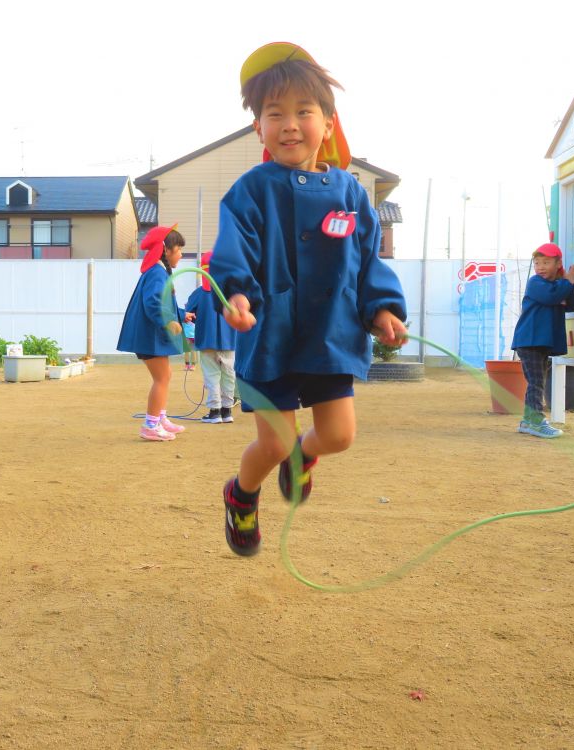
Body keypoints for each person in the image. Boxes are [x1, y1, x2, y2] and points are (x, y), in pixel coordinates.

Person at [209, 42, 408, 556]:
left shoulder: (350, 193)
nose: (290, 124)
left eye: (304, 111)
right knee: (269, 443)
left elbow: (368, 261)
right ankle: (241, 494)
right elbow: (234, 251)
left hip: (330, 335)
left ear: (329, 122)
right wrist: (237, 296)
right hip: (271, 335)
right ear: (259, 128)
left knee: (339, 436)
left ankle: (304, 455)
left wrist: (382, 308)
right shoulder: (250, 190)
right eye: (274, 114)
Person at [117, 224, 194, 442]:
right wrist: (168, 321)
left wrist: (180, 314)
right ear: (165, 250)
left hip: (151, 335)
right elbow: (152, 303)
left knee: (165, 376)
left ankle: (160, 419)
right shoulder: (157, 273)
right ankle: (150, 425)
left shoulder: (158, 271)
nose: (180, 254)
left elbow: (163, 302)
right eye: (178, 249)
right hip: (149, 336)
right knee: (161, 378)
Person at [510, 242, 574, 439]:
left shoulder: (558, 286)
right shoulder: (536, 283)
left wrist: (570, 284)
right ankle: (536, 421)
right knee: (537, 381)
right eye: (537, 262)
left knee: (536, 381)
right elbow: (551, 297)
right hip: (529, 341)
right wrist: (568, 282)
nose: (540, 267)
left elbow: (571, 305)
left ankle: (528, 421)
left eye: (546, 262)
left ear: (558, 264)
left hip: (539, 342)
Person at [184, 251, 238, 424]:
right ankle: (227, 410)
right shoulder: (232, 293)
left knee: (212, 376)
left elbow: (188, 313)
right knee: (229, 375)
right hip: (229, 342)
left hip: (207, 342)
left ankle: (214, 412)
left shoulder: (199, 293)